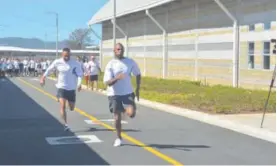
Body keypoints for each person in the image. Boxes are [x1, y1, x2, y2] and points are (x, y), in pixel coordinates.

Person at [103, 43, 141, 147]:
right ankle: (119, 138)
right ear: (114, 51)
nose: (120, 51)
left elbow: (138, 74)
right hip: (114, 94)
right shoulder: (110, 64)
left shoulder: (130, 62)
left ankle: (125, 110)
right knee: (116, 117)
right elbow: (107, 82)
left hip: (127, 92)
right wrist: (117, 78)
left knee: (131, 114)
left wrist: (138, 88)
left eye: (122, 49)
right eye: (118, 49)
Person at [40, 48, 83, 131]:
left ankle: (67, 102)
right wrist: (43, 77)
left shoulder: (75, 63)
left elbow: (80, 75)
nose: (66, 57)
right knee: (62, 106)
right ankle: (65, 124)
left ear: (70, 55)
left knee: (71, 108)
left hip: (71, 88)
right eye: (64, 56)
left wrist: (79, 84)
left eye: (67, 56)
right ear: (62, 55)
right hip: (61, 87)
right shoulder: (57, 62)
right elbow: (49, 69)